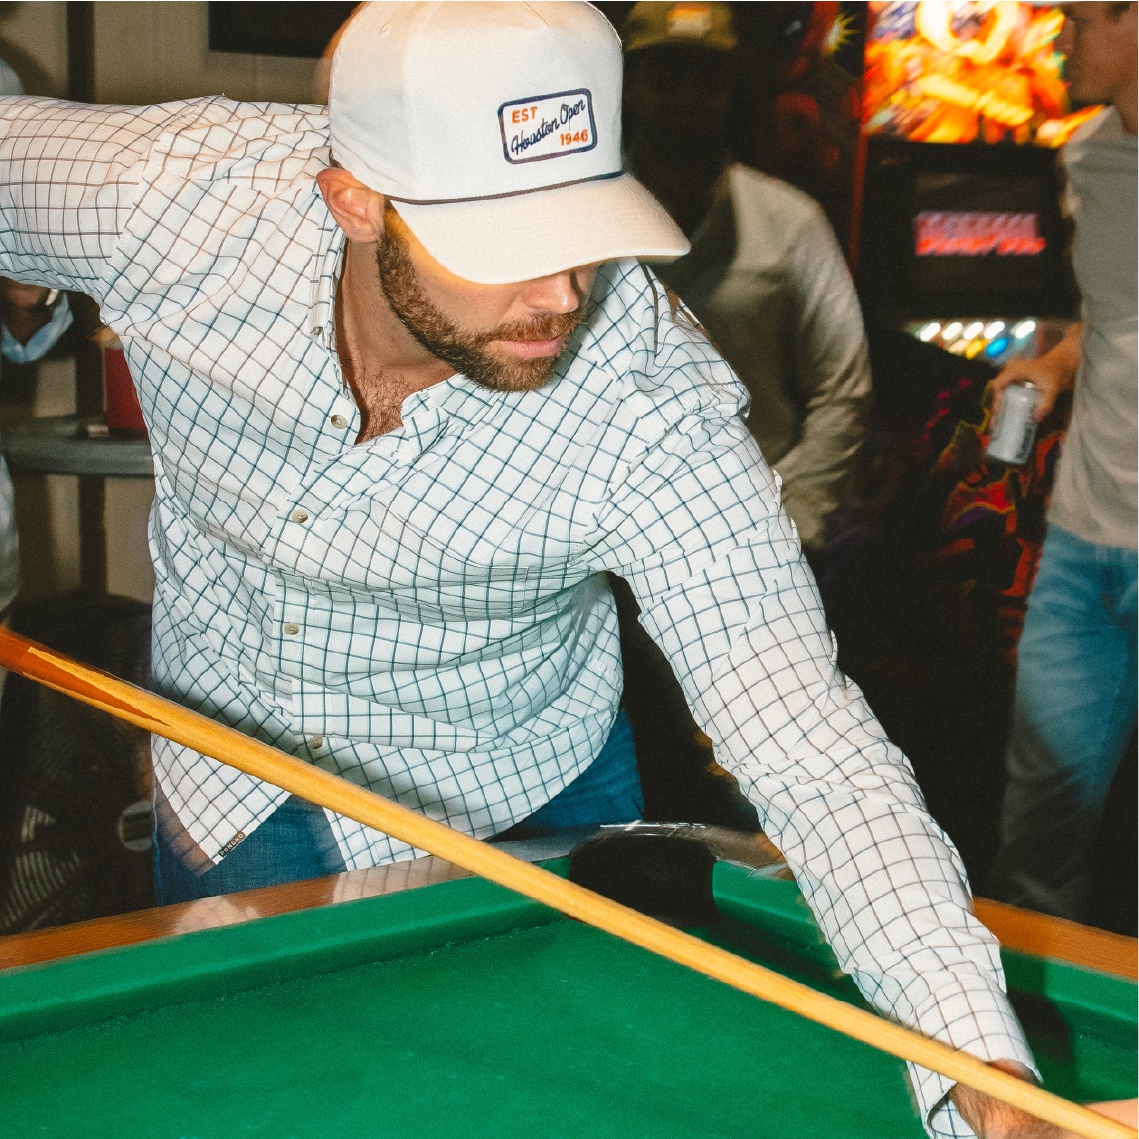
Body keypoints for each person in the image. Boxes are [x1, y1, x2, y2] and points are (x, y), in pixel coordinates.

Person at [0, 5, 1134, 1136]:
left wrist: (979, 1070)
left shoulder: (649, 403)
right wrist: (24, 301)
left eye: (582, 224)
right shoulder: (168, 197)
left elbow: (808, 744)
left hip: (518, 791)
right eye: (503, 245)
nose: (560, 294)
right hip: (231, 780)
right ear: (354, 201)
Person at [987, 2, 1139, 926]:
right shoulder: (1086, 158)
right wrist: (1049, 367)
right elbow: (1111, 320)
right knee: (1035, 839)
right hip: (1082, 549)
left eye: (1077, 19)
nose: (1056, 40)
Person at [621, 1, 872, 557]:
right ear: (632, 84)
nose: (686, 96)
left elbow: (843, 386)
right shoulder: (579, 223)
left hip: (755, 532)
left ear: (728, 88)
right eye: (667, 77)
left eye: (703, 78)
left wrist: (797, 521)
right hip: (609, 545)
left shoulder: (791, 222)